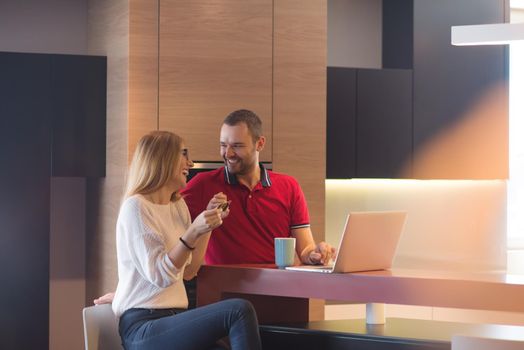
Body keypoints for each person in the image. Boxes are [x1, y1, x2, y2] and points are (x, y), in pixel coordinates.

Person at [109, 130, 262, 350]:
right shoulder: (136, 207)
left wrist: (207, 225)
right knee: (238, 311)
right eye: (184, 154)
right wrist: (193, 231)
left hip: (175, 319)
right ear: (163, 158)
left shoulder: (177, 206)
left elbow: (189, 270)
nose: (190, 163)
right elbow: (160, 276)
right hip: (143, 327)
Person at [182, 109, 335, 265]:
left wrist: (316, 253)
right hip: (222, 286)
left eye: (237, 146)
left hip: (277, 286)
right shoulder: (202, 184)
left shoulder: (289, 186)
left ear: (260, 144)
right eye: (223, 145)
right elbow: (170, 222)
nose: (228, 153)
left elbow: (305, 250)